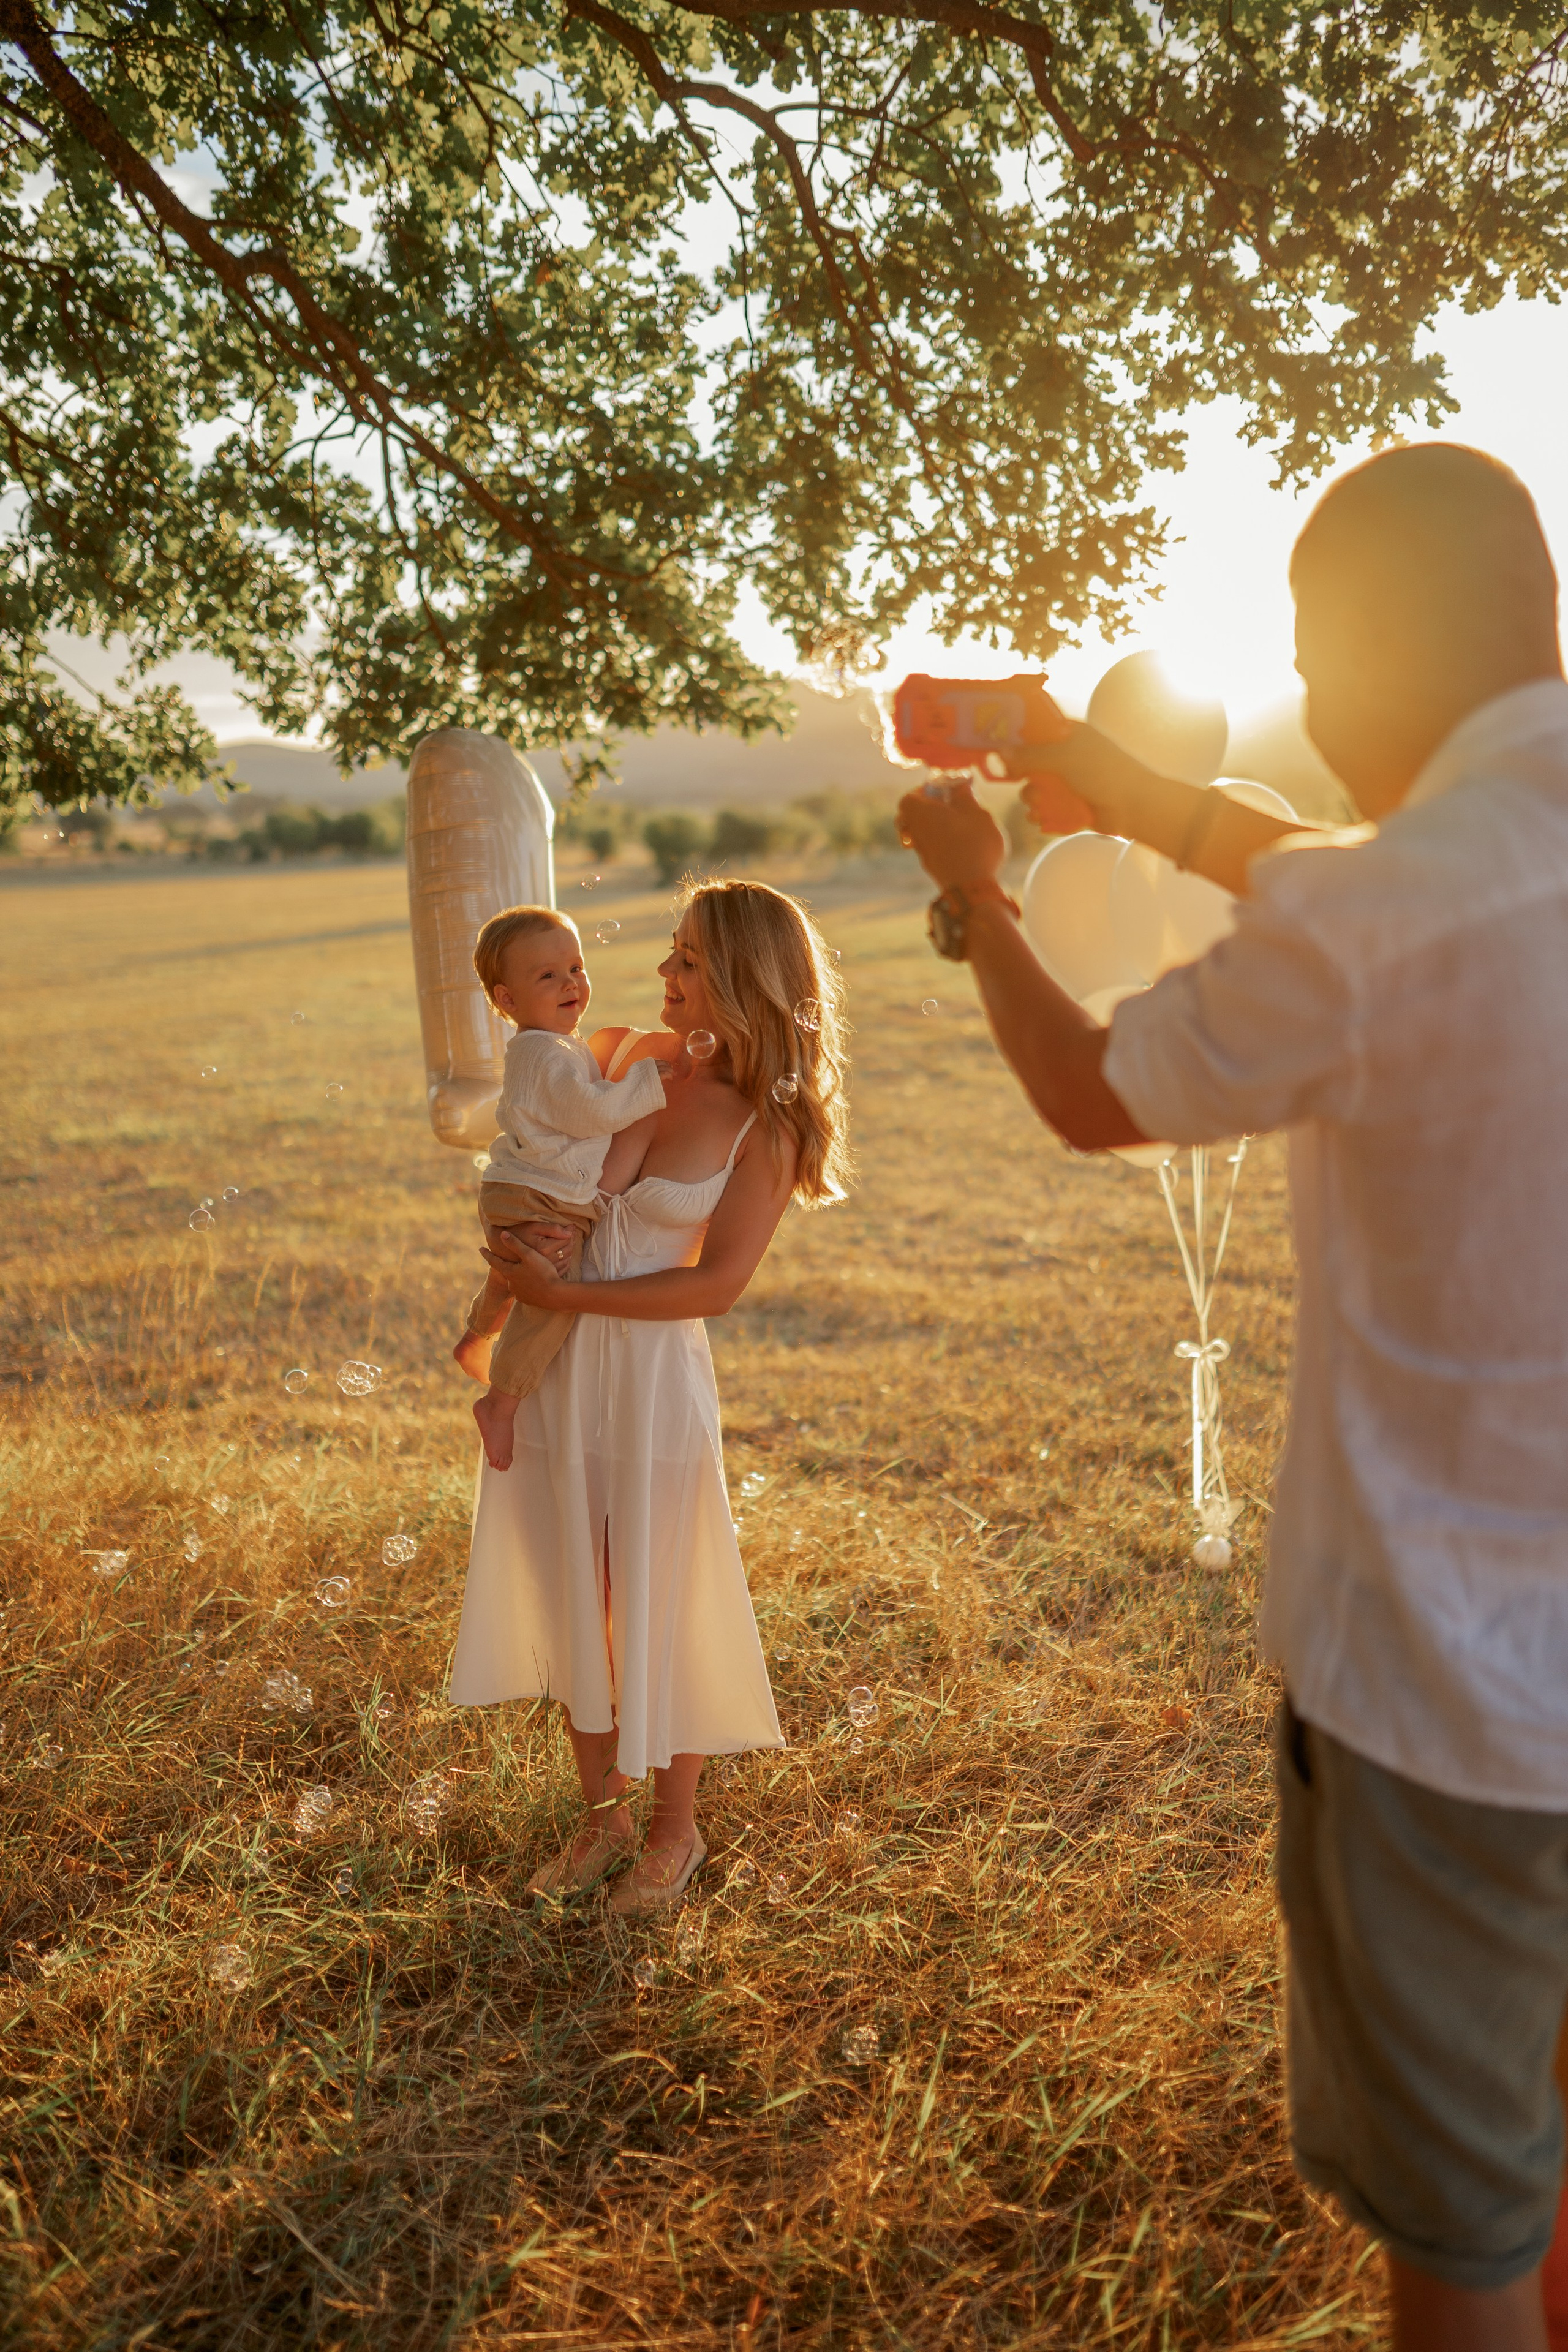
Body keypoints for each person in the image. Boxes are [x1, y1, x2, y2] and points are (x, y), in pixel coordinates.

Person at [897, 443, 1568, 2352]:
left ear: (1351, 652)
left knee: (1460, 2236)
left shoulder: (1383, 910)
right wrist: (1093, 770)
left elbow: (1093, 1090)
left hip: (1448, 1699)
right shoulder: (1424, 874)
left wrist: (978, 900)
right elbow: (1336, 871)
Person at [448, 878, 853, 1914]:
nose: (665, 976)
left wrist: (565, 1289)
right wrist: (515, 1249)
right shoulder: (630, 1063)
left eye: (688, 960)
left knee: (655, 1597)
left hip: (652, 1378)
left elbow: (715, 1285)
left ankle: (676, 1833)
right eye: (670, 955)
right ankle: (603, 1826)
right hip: (560, 1372)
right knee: (575, 1591)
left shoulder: (773, 1121)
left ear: (744, 978)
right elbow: (550, 1167)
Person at [453, 905, 667, 1473]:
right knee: (548, 1294)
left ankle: (477, 1333)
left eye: (576, 966)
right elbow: (587, 1112)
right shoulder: (542, 1053)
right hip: (539, 1195)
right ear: (507, 1000)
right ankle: (501, 1404)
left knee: (513, 1265)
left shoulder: (552, 1044)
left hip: (521, 1187)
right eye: (547, 976)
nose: (570, 982)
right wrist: (648, 1081)